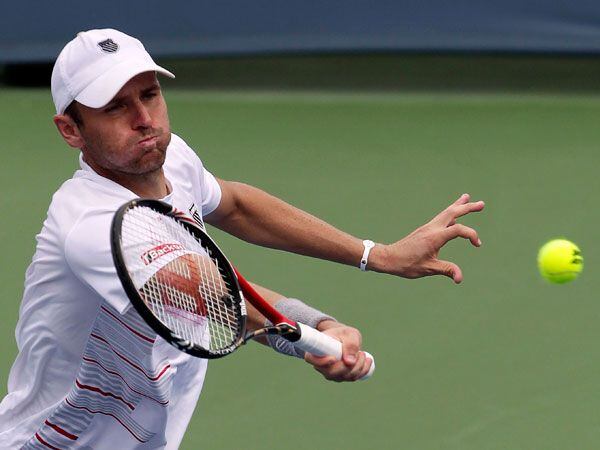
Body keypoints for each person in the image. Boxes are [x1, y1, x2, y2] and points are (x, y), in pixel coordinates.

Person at [0, 29, 484, 449]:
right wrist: (316, 335)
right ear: (71, 130)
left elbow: (233, 205)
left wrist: (376, 255)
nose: (144, 118)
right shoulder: (91, 225)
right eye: (115, 108)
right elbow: (216, 299)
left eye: (149, 95)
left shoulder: (168, 157)